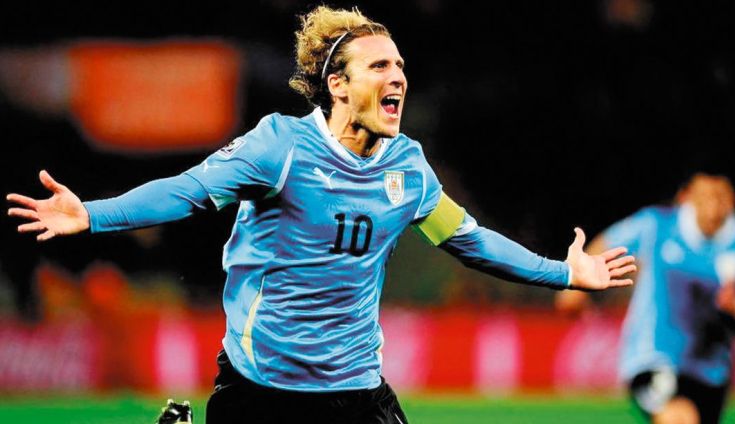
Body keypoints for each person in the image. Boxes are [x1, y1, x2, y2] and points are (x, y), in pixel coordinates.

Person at [7, 6, 636, 424]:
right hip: (263, 391)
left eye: (401, 66)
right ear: (338, 85)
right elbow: (189, 190)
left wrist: (563, 272)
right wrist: (92, 214)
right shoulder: (280, 147)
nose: (398, 77)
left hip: (357, 392)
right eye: (380, 65)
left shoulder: (409, 169)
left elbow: (468, 239)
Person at [556, 172, 735, 424]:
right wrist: (574, 285)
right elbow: (607, 245)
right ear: (686, 198)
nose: (713, 206)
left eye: (720, 196)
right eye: (705, 196)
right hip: (652, 356)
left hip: (711, 370)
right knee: (679, 419)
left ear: (732, 200)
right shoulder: (657, 226)